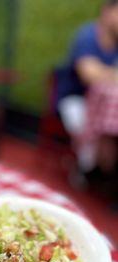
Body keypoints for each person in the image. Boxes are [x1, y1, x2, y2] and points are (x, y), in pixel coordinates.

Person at [57, 0, 118, 174]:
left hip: (106, 105)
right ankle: (89, 170)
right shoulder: (88, 35)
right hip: (75, 99)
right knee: (96, 133)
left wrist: (105, 73)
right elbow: (89, 75)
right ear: (107, 12)